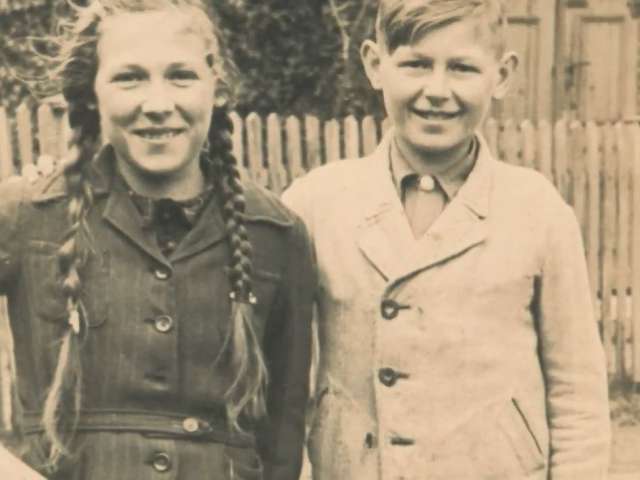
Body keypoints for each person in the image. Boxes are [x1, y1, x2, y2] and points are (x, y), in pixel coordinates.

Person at [282, 1, 610, 479]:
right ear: (375, 64)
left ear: (502, 75)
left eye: (461, 68)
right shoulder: (317, 204)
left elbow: (577, 391)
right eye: (415, 64)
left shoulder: (537, 211)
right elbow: (276, 383)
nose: (437, 91)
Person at [0, 1, 316, 479]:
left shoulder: (276, 233)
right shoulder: (27, 214)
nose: (157, 104)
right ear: (91, 94)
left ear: (218, 87)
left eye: (181, 76)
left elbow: (284, 433)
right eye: (129, 78)